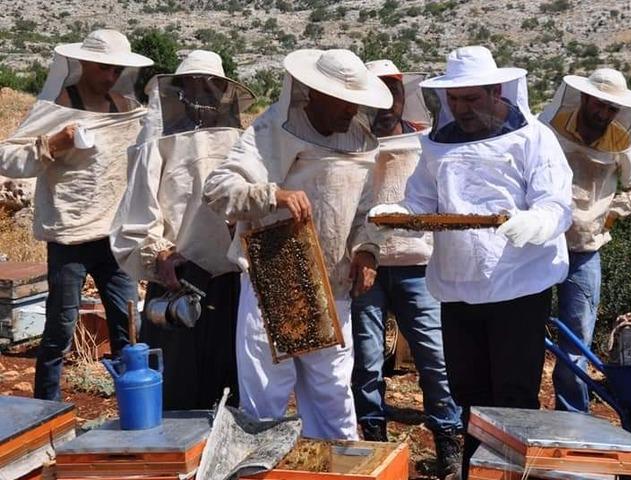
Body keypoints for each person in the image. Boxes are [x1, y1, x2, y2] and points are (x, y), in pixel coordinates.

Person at [369, 46, 572, 478]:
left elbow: (556, 204)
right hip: (458, 286)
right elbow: (421, 202)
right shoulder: (435, 145)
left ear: (496, 90)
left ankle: (515, 474)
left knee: (513, 396)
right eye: (453, 100)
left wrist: (533, 223)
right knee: (469, 396)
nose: (460, 109)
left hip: (519, 285)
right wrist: (400, 218)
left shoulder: (533, 137)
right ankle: (474, 472)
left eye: (471, 99)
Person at [203, 49, 391, 440]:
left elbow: (365, 210)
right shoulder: (274, 128)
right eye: (342, 100)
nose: (350, 109)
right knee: (265, 400)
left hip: (334, 286)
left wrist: (368, 250)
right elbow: (219, 188)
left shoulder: (361, 139)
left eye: (355, 100)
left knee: (335, 399)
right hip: (274, 282)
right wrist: (274, 195)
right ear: (315, 93)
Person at [0, 30, 152, 401]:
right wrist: (54, 143)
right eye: (105, 67)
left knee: (128, 331)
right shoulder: (58, 106)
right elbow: (8, 157)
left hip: (116, 237)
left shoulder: (127, 110)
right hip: (69, 238)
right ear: (83, 63)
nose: (111, 76)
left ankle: (133, 416)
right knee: (58, 332)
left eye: (118, 69)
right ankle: (44, 417)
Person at [110, 50, 255, 410]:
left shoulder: (241, 140)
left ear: (223, 90)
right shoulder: (155, 138)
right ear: (177, 88)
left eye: (210, 85)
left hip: (231, 279)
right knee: (176, 390)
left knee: (230, 389)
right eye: (191, 84)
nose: (200, 92)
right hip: (178, 277)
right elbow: (139, 207)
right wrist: (158, 253)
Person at [351, 59, 462, 477]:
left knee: (435, 359)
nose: (387, 101)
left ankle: (449, 441)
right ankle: (376, 446)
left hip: (419, 265)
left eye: (393, 91)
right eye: (378, 92)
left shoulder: (424, 141)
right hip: (367, 267)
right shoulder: (352, 144)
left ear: (403, 95)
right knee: (366, 362)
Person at [538, 69, 631, 412]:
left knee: (577, 336)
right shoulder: (548, 128)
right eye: (599, 105)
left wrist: (611, 211)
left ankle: (572, 412)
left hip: (585, 250)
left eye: (611, 109)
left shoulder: (622, 141)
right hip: (539, 246)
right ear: (585, 98)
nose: (604, 114)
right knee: (527, 333)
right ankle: (522, 412)